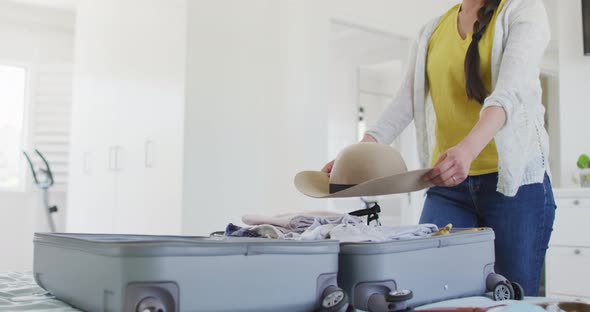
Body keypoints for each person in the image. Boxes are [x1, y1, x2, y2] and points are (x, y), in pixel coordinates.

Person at [322, 0, 555, 297]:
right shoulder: (432, 31)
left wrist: (468, 151)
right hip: (448, 186)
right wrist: (354, 157)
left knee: (512, 296)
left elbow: (510, 93)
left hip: (515, 187)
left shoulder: (523, 10)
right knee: (428, 286)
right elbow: (404, 102)